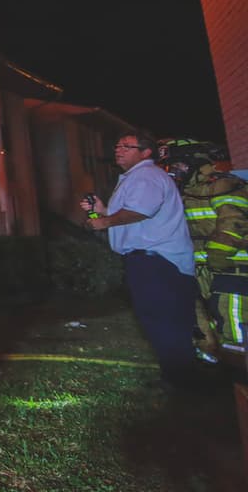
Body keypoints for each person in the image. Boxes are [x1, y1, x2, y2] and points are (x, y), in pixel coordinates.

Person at [81, 131, 199, 392]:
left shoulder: (146, 176)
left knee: (164, 321)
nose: (118, 150)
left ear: (146, 152)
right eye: (117, 145)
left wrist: (104, 221)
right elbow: (136, 211)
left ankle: (181, 381)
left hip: (158, 262)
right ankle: (177, 377)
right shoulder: (136, 178)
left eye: (126, 146)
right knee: (160, 320)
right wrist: (103, 210)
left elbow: (139, 211)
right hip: (152, 261)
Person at [157, 138, 248, 365]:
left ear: (192, 162)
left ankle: (241, 378)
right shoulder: (187, 193)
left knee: (235, 330)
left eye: (177, 165)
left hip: (232, 271)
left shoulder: (223, 185)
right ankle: (230, 379)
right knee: (213, 326)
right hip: (204, 274)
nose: (173, 171)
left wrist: (217, 257)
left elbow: (234, 223)